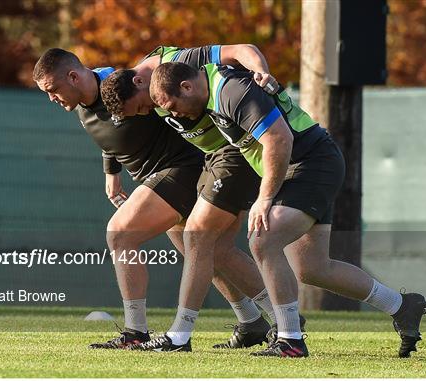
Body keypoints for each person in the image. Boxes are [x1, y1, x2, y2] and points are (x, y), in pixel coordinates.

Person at [138, 61, 426, 358]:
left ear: (187, 86)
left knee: (263, 239)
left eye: (173, 106)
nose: (174, 114)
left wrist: (265, 199)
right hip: (304, 165)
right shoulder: (210, 91)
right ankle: (401, 306)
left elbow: (280, 138)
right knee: (313, 268)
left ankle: (290, 339)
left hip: (310, 164)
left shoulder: (230, 90)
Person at [32, 48, 280, 350]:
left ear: (73, 76)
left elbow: (220, 55)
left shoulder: (129, 80)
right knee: (208, 255)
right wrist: (111, 173)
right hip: (161, 176)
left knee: (121, 235)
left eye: (53, 90)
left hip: (182, 169)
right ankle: (257, 319)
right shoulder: (84, 103)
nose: (51, 98)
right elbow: (109, 136)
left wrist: (257, 68)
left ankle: (136, 331)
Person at [100, 45, 306, 350]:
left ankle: (179, 335)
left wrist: (261, 71)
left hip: (234, 153)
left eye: (144, 108)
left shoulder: (178, 64)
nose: (153, 113)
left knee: (197, 238)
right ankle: (281, 318)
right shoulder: (148, 92)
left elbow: (241, 49)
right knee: (216, 249)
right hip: (214, 158)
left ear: (142, 83)